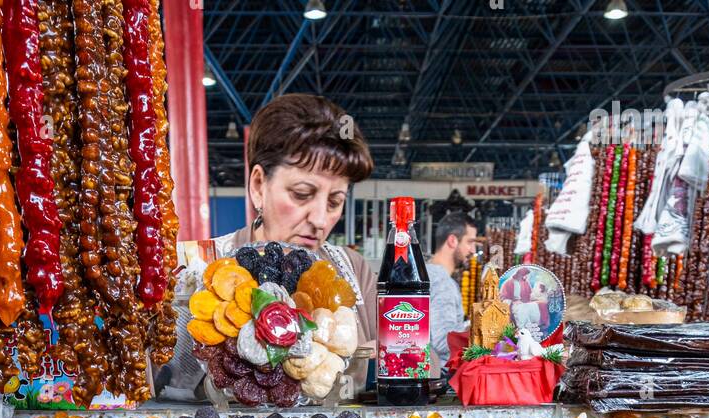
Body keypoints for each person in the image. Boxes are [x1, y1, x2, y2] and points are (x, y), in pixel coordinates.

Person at [160, 93, 375, 398]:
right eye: (302, 194)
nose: (320, 219)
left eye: (335, 201)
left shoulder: (352, 270)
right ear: (259, 185)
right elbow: (162, 383)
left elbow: (420, 361)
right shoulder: (199, 266)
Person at [428, 211, 477, 369]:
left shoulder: (427, 273)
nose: (473, 250)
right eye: (470, 242)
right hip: (442, 375)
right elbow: (443, 342)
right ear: (452, 240)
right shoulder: (442, 282)